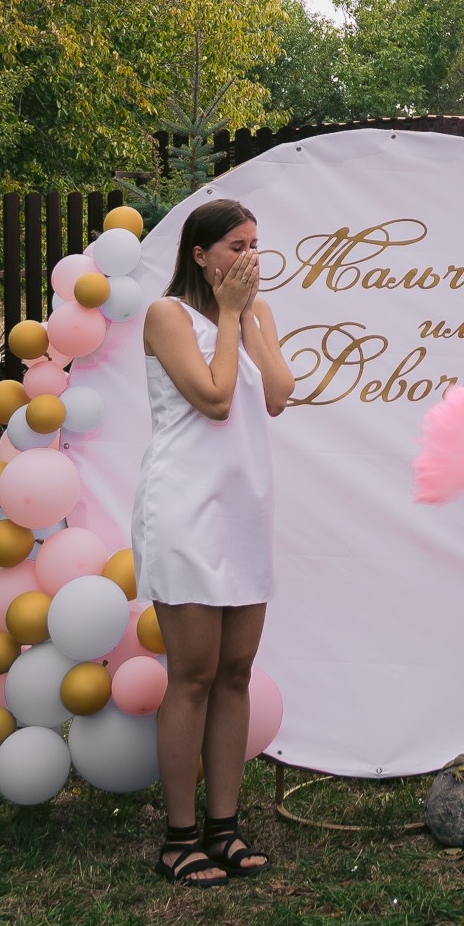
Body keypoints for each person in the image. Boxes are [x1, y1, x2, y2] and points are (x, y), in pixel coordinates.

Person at [133, 196, 294, 886]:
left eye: (255, 244)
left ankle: (224, 827)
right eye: (236, 246)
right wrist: (228, 316)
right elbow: (216, 397)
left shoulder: (257, 315)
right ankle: (179, 838)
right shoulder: (166, 316)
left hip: (243, 510)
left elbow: (278, 393)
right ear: (200, 255)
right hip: (185, 509)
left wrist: (249, 317)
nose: (249, 257)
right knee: (193, 675)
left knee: (235, 672)